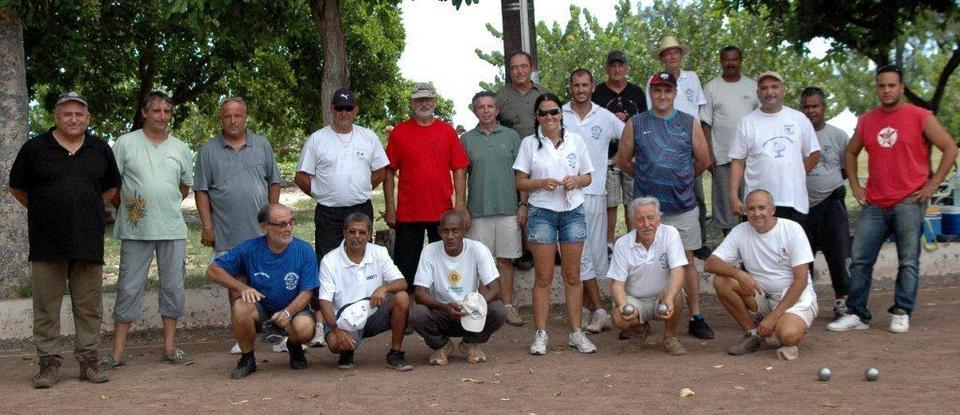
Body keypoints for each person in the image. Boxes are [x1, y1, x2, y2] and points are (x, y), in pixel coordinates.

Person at [827, 65, 958, 334]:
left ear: (901, 87)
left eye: (891, 85)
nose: (886, 90)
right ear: (877, 88)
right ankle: (857, 314)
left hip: (909, 201)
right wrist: (854, 185)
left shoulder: (920, 116)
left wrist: (932, 186)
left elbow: (950, 148)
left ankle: (902, 310)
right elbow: (851, 153)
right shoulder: (867, 120)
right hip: (875, 202)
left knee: (908, 260)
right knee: (861, 259)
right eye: (881, 86)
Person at [9, 91, 121, 388]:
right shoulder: (34, 149)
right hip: (47, 243)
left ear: (88, 118)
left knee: (89, 307)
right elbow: (17, 189)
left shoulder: (100, 149)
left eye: (79, 114)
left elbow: (110, 189)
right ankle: (48, 364)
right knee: (46, 307)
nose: (73, 119)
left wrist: (83, 207)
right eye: (67, 114)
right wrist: (47, 208)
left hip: (88, 240)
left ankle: (89, 361)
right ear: (56, 117)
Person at [618, 72, 715, 340]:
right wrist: (647, 177)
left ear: (675, 93)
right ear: (651, 93)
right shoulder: (636, 123)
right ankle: (635, 316)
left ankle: (696, 316)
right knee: (638, 261)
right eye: (657, 90)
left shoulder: (689, 123)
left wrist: (680, 179)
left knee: (687, 262)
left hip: (682, 207)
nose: (662, 96)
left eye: (667, 91)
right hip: (647, 211)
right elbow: (624, 160)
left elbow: (703, 161)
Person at [103, 92, 194, 369]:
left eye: (167, 111)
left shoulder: (181, 147)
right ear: (144, 112)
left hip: (172, 229)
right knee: (129, 288)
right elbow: (112, 185)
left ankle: (169, 348)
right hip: (135, 229)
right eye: (157, 111)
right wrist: (130, 208)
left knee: (173, 287)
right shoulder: (125, 143)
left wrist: (161, 202)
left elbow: (183, 187)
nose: (162, 116)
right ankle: (118, 353)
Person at [296, 87, 389, 340]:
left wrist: (359, 188)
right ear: (332, 109)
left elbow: (381, 170)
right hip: (328, 212)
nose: (344, 113)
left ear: (355, 110)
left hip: (359, 209)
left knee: (358, 262)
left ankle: (358, 316)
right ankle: (320, 324)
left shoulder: (368, 137)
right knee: (326, 263)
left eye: (349, 108)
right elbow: (301, 176)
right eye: (339, 108)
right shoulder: (317, 139)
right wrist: (322, 194)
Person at [193, 97, 283, 353]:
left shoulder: (262, 145)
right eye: (227, 116)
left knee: (270, 281)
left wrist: (272, 217)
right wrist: (207, 226)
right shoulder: (208, 151)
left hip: (260, 231)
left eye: (238, 116)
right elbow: (201, 191)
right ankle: (242, 336)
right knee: (235, 284)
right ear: (220, 119)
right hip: (227, 231)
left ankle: (277, 332)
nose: (233, 121)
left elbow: (273, 182)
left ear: (246, 117)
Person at [513, 92, 597, 355]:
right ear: (536, 117)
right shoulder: (529, 143)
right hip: (542, 213)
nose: (549, 117)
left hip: (572, 210)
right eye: (543, 113)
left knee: (573, 276)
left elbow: (588, 177)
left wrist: (576, 180)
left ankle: (576, 332)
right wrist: (541, 183)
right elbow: (520, 182)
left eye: (553, 112)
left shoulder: (576, 140)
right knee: (544, 277)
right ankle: (541, 333)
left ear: (561, 114)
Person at [205, 204, 319, 378]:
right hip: (262, 311)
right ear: (264, 227)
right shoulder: (249, 248)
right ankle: (247, 358)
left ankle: (294, 347)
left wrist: (288, 312)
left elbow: (307, 292)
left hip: (294, 311)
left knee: (304, 328)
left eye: (290, 222)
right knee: (241, 306)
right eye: (282, 224)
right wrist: (241, 287)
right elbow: (212, 270)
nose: (288, 228)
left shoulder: (304, 250)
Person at [705, 190, 818, 361]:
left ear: (772, 210)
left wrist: (774, 316)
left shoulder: (792, 229)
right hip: (762, 295)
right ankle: (753, 334)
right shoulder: (740, 231)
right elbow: (710, 263)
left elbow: (801, 280)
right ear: (745, 211)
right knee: (721, 281)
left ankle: (787, 325)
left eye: (762, 208)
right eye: (751, 209)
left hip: (794, 298)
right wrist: (739, 274)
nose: (757, 213)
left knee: (788, 336)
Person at [384, 82, 470, 291]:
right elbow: (388, 170)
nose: (424, 103)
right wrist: (390, 207)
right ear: (412, 102)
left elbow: (460, 167)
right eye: (419, 99)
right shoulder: (399, 132)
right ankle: (409, 314)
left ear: (435, 102)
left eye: (428, 99)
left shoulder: (447, 131)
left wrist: (460, 205)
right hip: (408, 214)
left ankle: (440, 311)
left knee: (443, 266)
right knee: (406, 268)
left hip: (441, 214)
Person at [562, 69, 625, 334]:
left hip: (596, 194)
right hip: (565, 197)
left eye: (585, 85)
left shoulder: (604, 116)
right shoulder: (559, 114)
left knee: (595, 253)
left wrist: (618, 160)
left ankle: (595, 307)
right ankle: (598, 309)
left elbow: (628, 135)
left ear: (592, 87)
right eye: (576, 85)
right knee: (579, 254)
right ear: (570, 87)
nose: (580, 89)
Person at [460, 91, 525, 326]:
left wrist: (523, 204)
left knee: (506, 260)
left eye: (490, 106)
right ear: (475, 111)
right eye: (481, 107)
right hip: (477, 210)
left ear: (497, 110)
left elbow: (522, 173)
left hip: (508, 208)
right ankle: (480, 306)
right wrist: (462, 208)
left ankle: (507, 306)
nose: (486, 110)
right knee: (479, 262)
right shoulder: (466, 139)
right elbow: (461, 177)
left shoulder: (512, 137)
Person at [318, 213, 414, 371]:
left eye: (362, 232)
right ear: (344, 232)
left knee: (402, 297)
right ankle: (346, 351)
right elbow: (324, 301)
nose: (357, 236)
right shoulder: (330, 260)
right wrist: (336, 329)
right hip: (343, 320)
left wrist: (384, 288)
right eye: (352, 231)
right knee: (336, 344)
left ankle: (395, 353)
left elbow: (402, 282)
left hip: (372, 313)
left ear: (369, 235)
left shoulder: (379, 252)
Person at [409, 211, 507, 365]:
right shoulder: (430, 251)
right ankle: (441, 345)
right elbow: (420, 294)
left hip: (471, 312)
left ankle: (470, 342)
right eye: (446, 231)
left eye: (455, 230)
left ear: (465, 231)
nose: (450, 236)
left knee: (499, 310)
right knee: (417, 313)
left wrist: (473, 305)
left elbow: (495, 288)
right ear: (439, 231)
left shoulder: (478, 249)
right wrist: (444, 307)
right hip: (441, 311)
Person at [729, 71, 821, 223]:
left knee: (791, 246)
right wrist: (733, 196)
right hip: (757, 204)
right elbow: (737, 162)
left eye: (774, 87)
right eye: (764, 88)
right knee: (757, 246)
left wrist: (795, 174)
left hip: (793, 201)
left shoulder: (799, 119)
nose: (769, 92)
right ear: (758, 93)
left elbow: (814, 154)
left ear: (783, 90)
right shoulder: (747, 123)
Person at [647, 36, 709, 258]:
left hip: (691, 141)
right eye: (667, 53)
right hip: (666, 145)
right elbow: (651, 114)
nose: (672, 56)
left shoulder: (693, 78)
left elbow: (700, 114)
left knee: (697, 193)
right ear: (662, 58)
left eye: (675, 52)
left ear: (681, 55)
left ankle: (698, 241)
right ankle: (664, 242)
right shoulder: (654, 81)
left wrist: (700, 144)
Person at [608, 197, 688, 355]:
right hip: (636, 299)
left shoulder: (670, 233)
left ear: (659, 217)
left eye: (651, 218)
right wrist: (624, 306)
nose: (646, 224)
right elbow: (616, 284)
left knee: (676, 293)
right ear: (632, 221)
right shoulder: (622, 244)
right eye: (640, 219)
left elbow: (678, 270)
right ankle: (639, 331)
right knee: (619, 317)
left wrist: (669, 298)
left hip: (662, 296)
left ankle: (670, 336)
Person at [799, 87, 852, 319]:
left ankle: (843, 300)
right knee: (802, 257)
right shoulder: (796, 134)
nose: (811, 111)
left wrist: (827, 183)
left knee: (838, 254)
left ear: (824, 108)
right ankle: (805, 302)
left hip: (831, 203)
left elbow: (846, 168)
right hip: (802, 205)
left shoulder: (838, 136)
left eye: (815, 106)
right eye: (807, 107)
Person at [592, 50, 648, 251]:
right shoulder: (597, 93)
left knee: (632, 201)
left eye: (620, 65)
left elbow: (643, 125)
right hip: (607, 158)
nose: (617, 69)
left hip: (633, 156)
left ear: (626, 67)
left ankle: (633, 241)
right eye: (613, 65)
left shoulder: (636, 93)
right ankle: (608, 243)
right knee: (610, 202)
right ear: (607, 68)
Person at [700, 46, 758, 235]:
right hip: (723, 158)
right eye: (726, 59)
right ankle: (731, 253)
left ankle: (752, 251)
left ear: (740, 60)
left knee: (752, 204)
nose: (730, 63)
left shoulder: (753, 86)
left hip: (751, 159)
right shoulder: (712, 87)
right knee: (727, 208)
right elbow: (706, 124)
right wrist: (709, 154)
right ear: (721, 61)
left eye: (734, 59)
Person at [496, 51, 549, 139]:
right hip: (512, 151)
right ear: (509, 71)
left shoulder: (544, 94)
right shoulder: (499, 98)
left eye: (523, 66)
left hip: (541, 149)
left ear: (531, 68)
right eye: (514, 67)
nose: (520, 71)